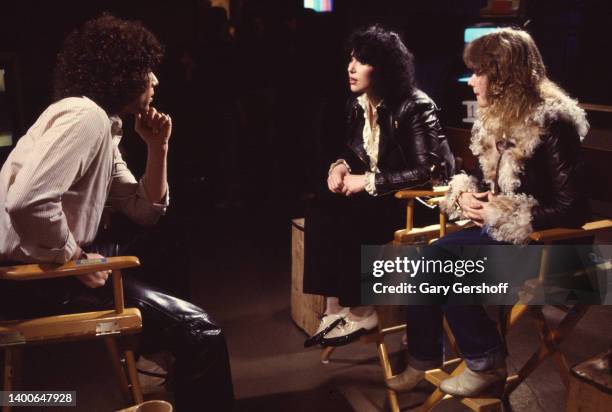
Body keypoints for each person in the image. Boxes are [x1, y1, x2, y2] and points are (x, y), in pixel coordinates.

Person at [0, 14, 233, 410]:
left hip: (36, 273)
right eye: (147, 70)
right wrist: (75, 256)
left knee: (170, 230)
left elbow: (146, 211)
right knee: (202, 332)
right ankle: (169, 340)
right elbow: (27, 201)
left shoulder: (102, 125)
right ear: (121, 73)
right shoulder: (86, 118)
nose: (155, 81)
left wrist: (157, 147)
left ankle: (155, 347)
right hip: (31, 284)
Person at [387, 28, 590, 397]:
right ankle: (422, 358)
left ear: (504, 76)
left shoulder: (552, 121)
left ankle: (486, 362)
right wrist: (469, 196)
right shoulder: (499, 117)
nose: (472, 81)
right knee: (429, 257)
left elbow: (570, 208)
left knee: (450, 262)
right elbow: (490, 184)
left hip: (554, 247)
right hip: (509, 234)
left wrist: (499, 212)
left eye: (480, 72)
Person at [303, 25, 454, 347]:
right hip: (387, 197)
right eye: (351, 59)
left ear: (383, 68)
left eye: (362, 61)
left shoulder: (415, 105)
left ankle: (361, 311)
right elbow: (355, 151)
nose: (351, 67)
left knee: (353, 213)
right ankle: (336, 307)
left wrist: (368, 181)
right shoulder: (359, 104)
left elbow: (428, 170)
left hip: (421, 204)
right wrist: (340, 167)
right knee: (321, 202)